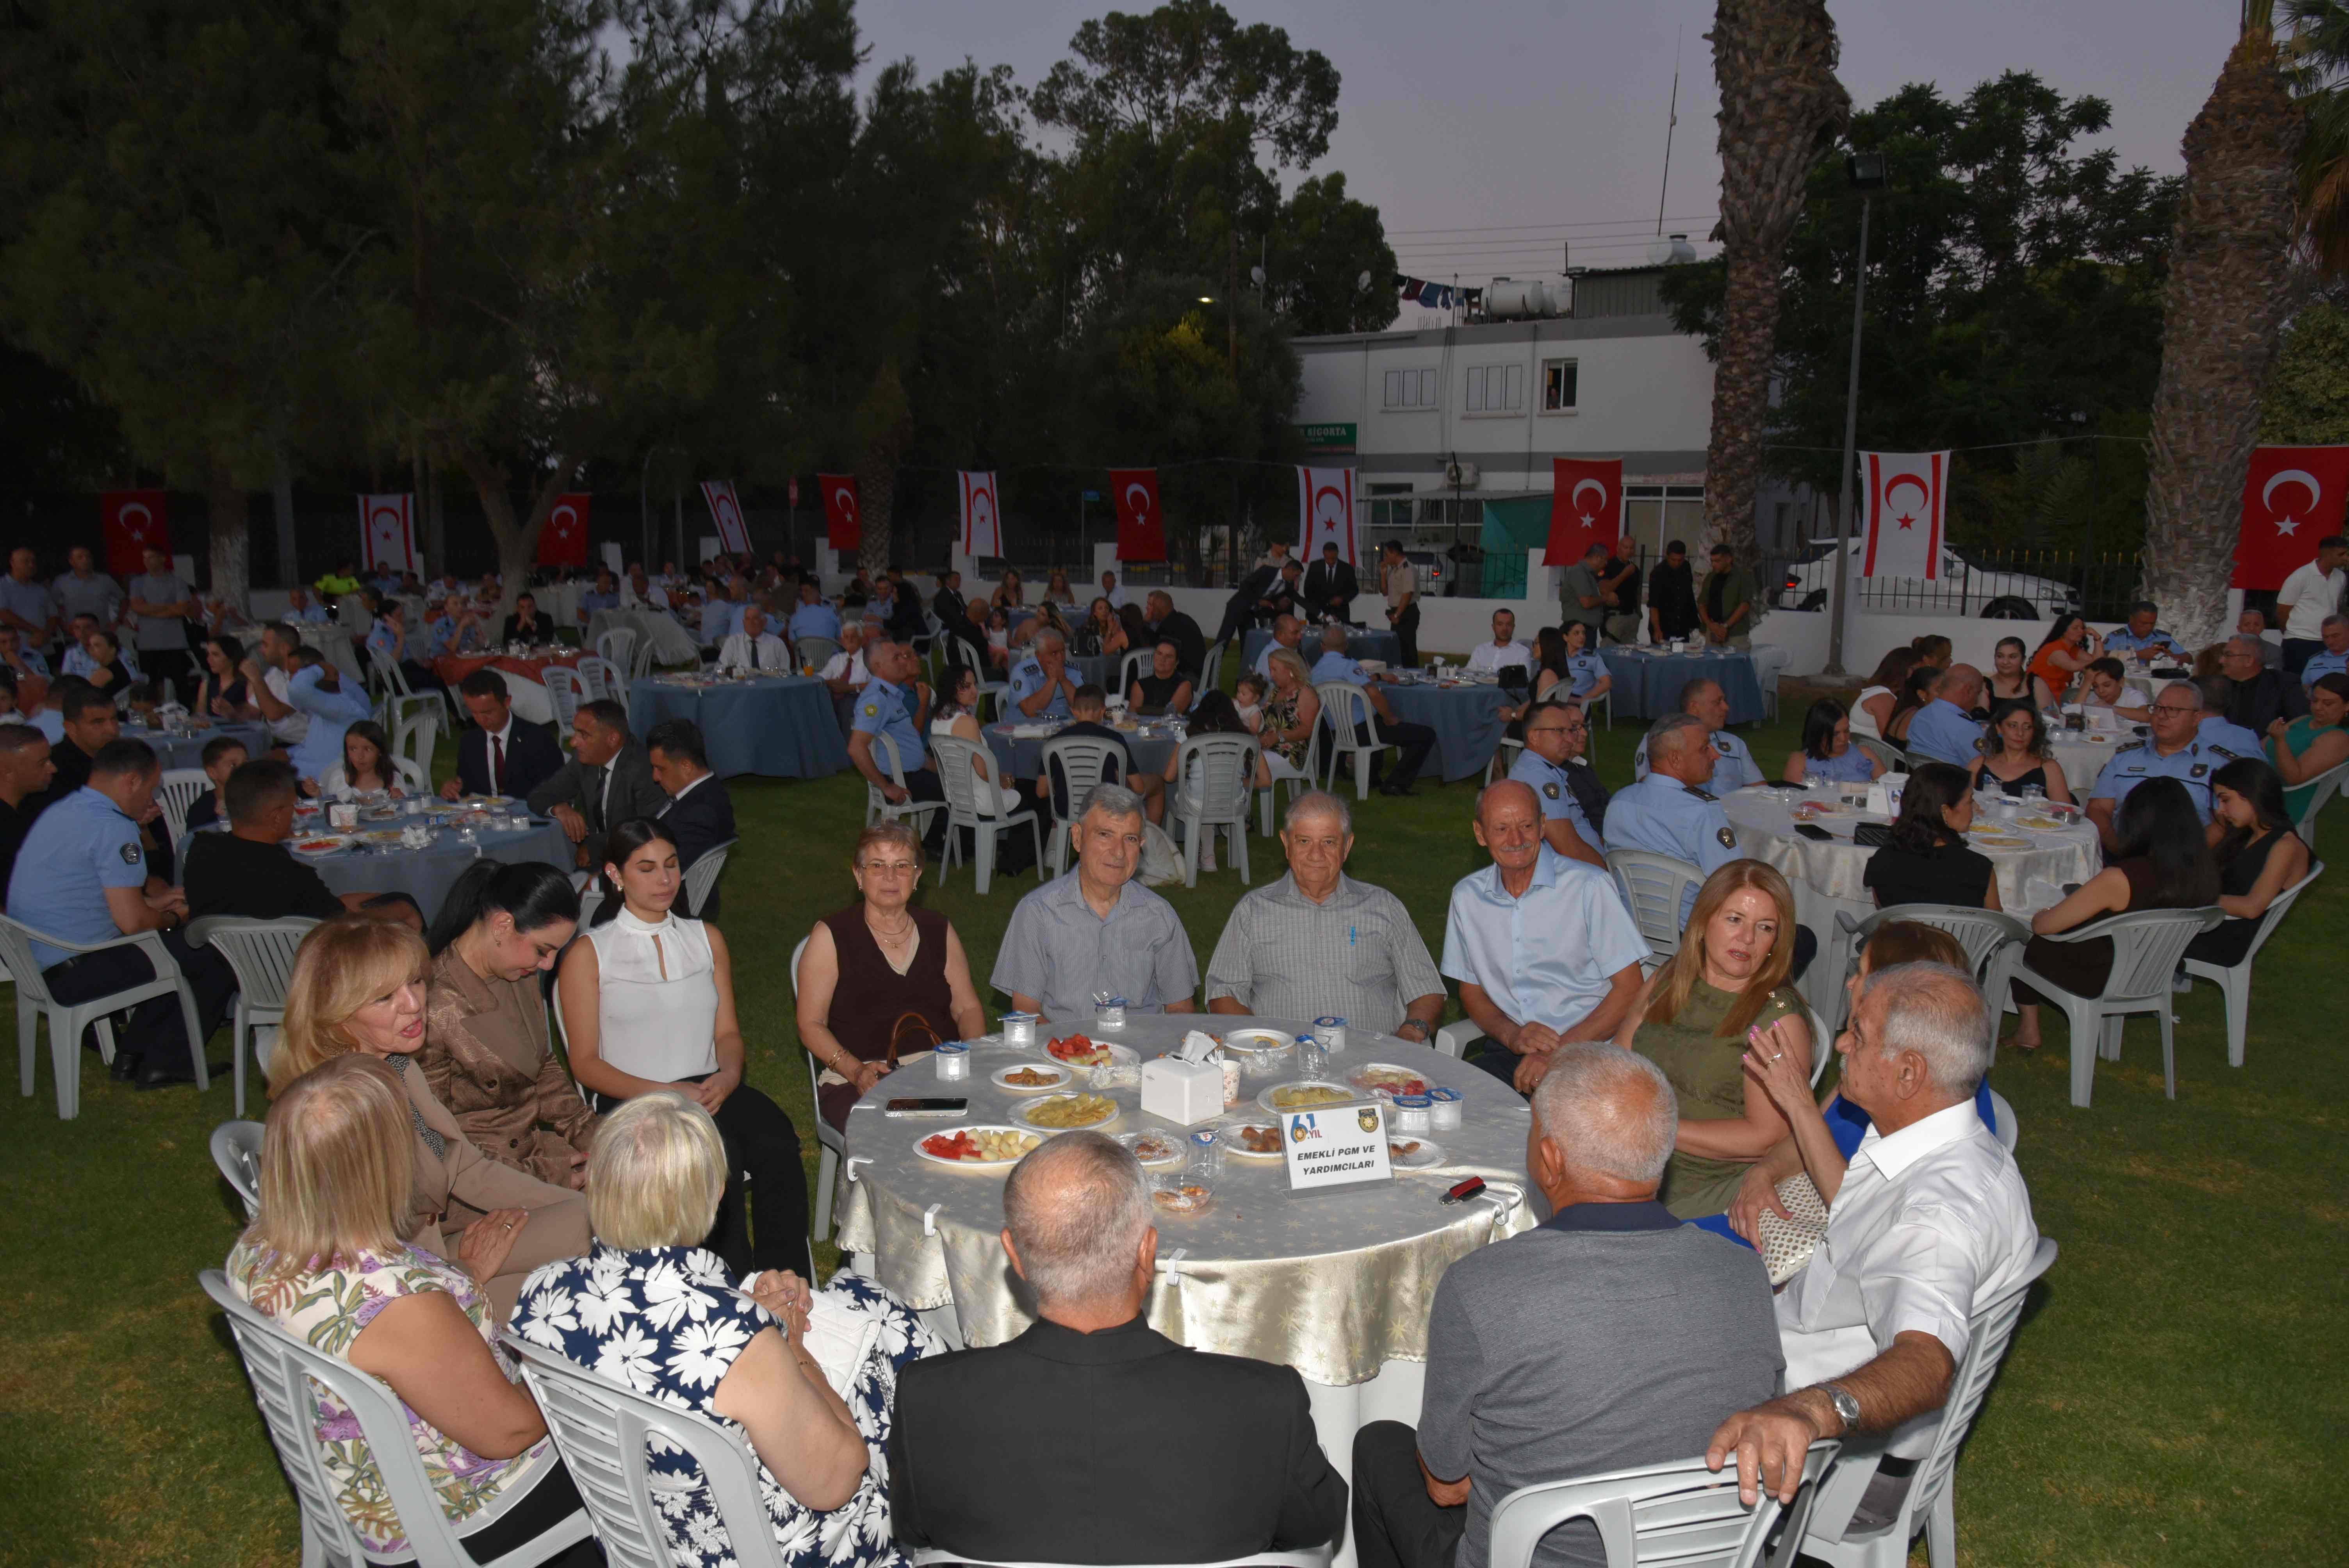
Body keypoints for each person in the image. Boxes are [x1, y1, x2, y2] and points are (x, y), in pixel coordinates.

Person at [1354, 1043, 1776, 1568]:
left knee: (1378, 1446)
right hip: (1714, 1559)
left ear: (1550, 1158)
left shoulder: (1481, 1285)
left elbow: (1447, 1487)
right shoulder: (1744, 1273)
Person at [512, 1094, 937, 1568]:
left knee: (855, 1294)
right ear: (717, 1192)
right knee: (890, 1327)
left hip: (642, 1529)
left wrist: (747, 1314)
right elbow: (837, 1480)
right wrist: (788, 1342)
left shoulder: (541, 1294)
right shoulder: (737, 1339)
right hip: (763, 1545)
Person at [890, 1132, 1347, 1561]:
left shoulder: (928, 1397)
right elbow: (1315, 1524)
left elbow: (915, 1531)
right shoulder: (1265, 1402)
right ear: (1147, 1251)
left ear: (1014, 1255)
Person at [225, 1055, 600, 1566]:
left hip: (367, 1485)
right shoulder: (396, 1300)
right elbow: (509, 1433)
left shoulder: (256, 1250)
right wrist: (574, 1371)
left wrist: (466, 1277)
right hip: (458, 1514)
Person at [1706, 963, 2038, 1534]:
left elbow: (1927, 1363)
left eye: (1857, 1033)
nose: (1840, 1043)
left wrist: (1807, 1412)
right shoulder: (1936, 1143)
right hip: (1789, 1359)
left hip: (1835, 1459)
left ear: (1909, 1073)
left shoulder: (1937, 1216)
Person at [267, 917, 592, 1315]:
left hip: (437, 1255)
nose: (414, 1003)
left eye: (415, 981)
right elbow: (370, 1266)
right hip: (411, 1292)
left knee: (591, 1225)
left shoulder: (397, 1066)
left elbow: (465, 1166)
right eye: (384, 997)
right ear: (336, 1012)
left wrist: (577, 1201)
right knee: (579, 1287)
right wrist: (466, 1270)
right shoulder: (338, 1110)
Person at [558, 817, 810, 1276]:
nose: (665, 880)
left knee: (777, 1142)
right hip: (634, 1095)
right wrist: (666, 1089)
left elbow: (728, 1034)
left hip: (709, 1086)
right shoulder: (590, 953)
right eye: (647, 868)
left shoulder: (706, 939)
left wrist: (730, 1076)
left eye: (672, 865)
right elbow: (585, 1063)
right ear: (615, 875)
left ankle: (787, 1283)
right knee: (720, 1157)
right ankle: (726, 1287)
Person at [1706, 923, 1996, 1250]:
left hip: (1839, 1244)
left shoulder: (1931, 1099)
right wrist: (1764, 1172)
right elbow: (1812, 1132)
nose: (1851, 983)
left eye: (1861, 973)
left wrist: (1798, 1104)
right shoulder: (1868, 1067)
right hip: (1802, 1207)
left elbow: (1863, 1219)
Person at [8, 738, 236, 1087]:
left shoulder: (64, 809)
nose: (153, 797)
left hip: (39, 960)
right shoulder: (116, 828)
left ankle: (132, 1055)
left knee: (171, 946)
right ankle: (166, 1062)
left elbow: (87, 894)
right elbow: (133, 924)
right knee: (211, 949)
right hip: (78, 967)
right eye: (152, 788)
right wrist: (177, 918)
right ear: (131, 782)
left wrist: (155, 907)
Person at [1619, 861, 1813, 1218]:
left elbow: (1766, 1137)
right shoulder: (1670, 979)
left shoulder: (1777, 1020)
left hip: (1704, 1186)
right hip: (1630, 1154)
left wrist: (1659, 1129)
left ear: (1777, 941)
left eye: (1765, 928)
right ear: (1704, 922)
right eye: (1734, 920)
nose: (1748, 939)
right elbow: (1620, 1061)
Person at [1443, 780, 1649, 1093]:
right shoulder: (1467, 897)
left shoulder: (1588, 887)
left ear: (1542, 826)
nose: (1516, 839)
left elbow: (1632, 989)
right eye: (1501, 829)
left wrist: (1559, 1052)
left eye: (1526, 825)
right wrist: (1511, 1035)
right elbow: (1471, 992)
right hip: (1513, 1050)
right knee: (1452, 1107)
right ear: (1480, 834)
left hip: (1589, 1050)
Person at [1203, 789, 1445, 1038]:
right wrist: (1265, 1043)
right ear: (1286, 844)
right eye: (1304, 841)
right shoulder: (1253, 911)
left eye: (1329, 842)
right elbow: (1223, 993)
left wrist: (1412, 1031)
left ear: (1347, 846)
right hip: (1284, 1061)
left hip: (1373, 1061)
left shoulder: (1384, 907)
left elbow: (1426, 988)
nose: (1316, 855)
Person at [795, 821, 987, 1131]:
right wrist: (856, 1071)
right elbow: (810, 1024)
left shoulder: (939, 930)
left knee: (994, 1118)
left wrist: (972, 1057)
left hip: (940, 1071)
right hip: (859, 1079)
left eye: (902, 866)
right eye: (877, 866)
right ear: (858, 875)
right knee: (905, 1135)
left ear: (917, 875)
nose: (890, 877)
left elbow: (967, 1008)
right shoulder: (833, 936)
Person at [418, 860, 598, 1188]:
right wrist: (547, 1177)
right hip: (479, 1184)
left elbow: (543, 1069)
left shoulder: (518, 974)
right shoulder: (432, 1006)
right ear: (502, 926)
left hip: (533, 1157)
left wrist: (595, 1137)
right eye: (543, 950)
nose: (549, 964)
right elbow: (438, 1142)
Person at [2010, 777, 2218, 1050]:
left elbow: (2044, 926)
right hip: (2156, 969)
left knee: (2019, 941)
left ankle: (2028, 1030)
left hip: (2100, 973)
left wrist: (2042, 914)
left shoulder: (2123, 877)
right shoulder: (2203, 872)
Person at [992, 782, 1198, 1023]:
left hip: (1143, 1051)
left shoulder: (1160, 915)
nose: (1119, 852)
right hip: (1063, 1051)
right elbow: (1027, 1013)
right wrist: (1074, 1053)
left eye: (1129, 839)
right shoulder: (1037, 912)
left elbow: (1180, 1007)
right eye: (1105, 835)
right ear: (1078, 838)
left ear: (1141, 846)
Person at [184, 757, 422, 928]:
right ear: (277, 817)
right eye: (292, 806)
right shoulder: (289, 875)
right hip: (292, 974)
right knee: (405, 907)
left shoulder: (201, 851)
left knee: (392, 897)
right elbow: (345, 922)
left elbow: (323, 904)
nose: (295, 813)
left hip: (227, 968)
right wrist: (401, 911)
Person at [2181, 757, 2308, 972]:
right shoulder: (2248, 833)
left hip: (2225, 938)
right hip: (2213, 923)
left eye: (2225, 800)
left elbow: (2251, 908)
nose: (2221, 810)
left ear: (2251, 795)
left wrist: (2192, 897)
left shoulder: (2285, 846)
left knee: (2134, 932)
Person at [526, 698, 667, 871]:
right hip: (596, 859)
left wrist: (594, 848)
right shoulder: (585, 761)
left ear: (613, 739)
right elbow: (539, 796)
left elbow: (645, 831)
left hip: (635, 864)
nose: (573, 743)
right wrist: (560, 808)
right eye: (575, 733)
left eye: (583, 735)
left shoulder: (644, 769)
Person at [2085, 680, 2221, 848]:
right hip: (2126, 856)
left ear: (2196, 718)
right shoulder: (2125, 757)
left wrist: (2189, 858)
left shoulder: (2218, 764)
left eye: (2173, 710)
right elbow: (2098, 809)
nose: (2161, 716)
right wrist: (2118, 849)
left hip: (2190, 863)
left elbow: (2225, 823)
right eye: (2157, 708)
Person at [1312, 623, 1438, 797]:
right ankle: (1395, 784)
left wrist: (1378, 677)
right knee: (1425, 735)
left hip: (1338, 731)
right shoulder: (1348, 665)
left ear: (1322, 646)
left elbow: (1350, 682)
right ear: (1346, 646)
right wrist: (1390, 717)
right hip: (1362, 731)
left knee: (1376, 719)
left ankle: (1372, 777)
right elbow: (1372, 692)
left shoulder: (1316, 671)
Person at [1864, 761, 2002, 911]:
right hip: (1960, 935)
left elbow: (1884, 916)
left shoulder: (1881, 861)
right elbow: (1997, 926)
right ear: (1945, 811)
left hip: (1901, 934)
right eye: (1970, 801)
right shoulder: (1979, 868)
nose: (1975, 809)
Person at [644, 719, 735, 918]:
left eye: (661, 769)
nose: (655, 777)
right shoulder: (702, 793)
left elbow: (666, 871)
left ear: (686, 766)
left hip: (668, 905)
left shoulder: (700, 812)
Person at [847, 637, 943, 813]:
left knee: (962, 784)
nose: (903, 662)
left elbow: (908, 746)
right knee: (966, 792)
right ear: (879, 667)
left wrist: (943, 770)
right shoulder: (876, 699)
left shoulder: (891, 696)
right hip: (902, 780)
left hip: (914, 773)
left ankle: (936, 840)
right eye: (896, 658)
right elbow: (856, 748)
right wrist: (887, 787)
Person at [441, 668, 564, 802]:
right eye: (474, 713)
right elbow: (466, 787)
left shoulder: (538, 739)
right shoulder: (470, 742)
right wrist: (454, 788)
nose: (481, 720)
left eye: (487, 712)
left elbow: (556, 790)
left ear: (507, 703)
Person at [1509, 700, 1607, 866]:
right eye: (1560, 731)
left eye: (1570, 731)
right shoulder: (1539, 777)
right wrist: (1609, 881)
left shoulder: (1547, 770)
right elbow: (1570, 849)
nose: (1570, 739)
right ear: (1534, 737)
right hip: (1579, 875)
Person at [1632, 677, 1763, 791]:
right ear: (1695, 707)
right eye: (1718, 702)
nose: (1726, 707)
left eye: (1724, 701)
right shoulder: (1659, 740)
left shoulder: (1735, 743)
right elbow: (1648, 788)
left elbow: (1760, 789)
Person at [282, 647, 375, 790]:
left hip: (316, 787)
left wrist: (320, 668)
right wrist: (287, 754)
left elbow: (298, 690)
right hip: (298, 774)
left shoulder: (343, 708)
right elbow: (314, 747)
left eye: (298, 673)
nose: (291, 679)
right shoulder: (323, 705)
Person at [2267, 670, 2349, 825]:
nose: (2318, 707)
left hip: (2284, 800)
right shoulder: (2304, 720)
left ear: (2347, 706)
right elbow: (2261, 747)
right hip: (2262, 786)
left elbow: (2294, 778)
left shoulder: (2337, 738)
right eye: (2314, 700)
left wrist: (2280, 742)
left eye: (2328, 703)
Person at [125, 545, 198, 703]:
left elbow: (182, 609)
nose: (147, 561)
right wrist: (168, 607)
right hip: (148, 643)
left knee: (180, 683)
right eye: (144, 558)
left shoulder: (177, 582)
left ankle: (185, 715)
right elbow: (137, 607)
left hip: (175, 643)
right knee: (150, 685)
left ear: (163, 559)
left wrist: (150, 609)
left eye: (151, 557)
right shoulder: (138, 583)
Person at [1970, 698, 2074, 804]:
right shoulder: (1978, 765)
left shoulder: (2049, 769)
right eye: (2013, 726)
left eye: (2027, 727)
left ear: (2034, 731)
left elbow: (2064, 813)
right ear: (1999, 728)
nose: (2020, 733)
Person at [2277, 533, 2348, 675]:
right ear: (2326, 554)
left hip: (2329, 642)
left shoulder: (2341, 577)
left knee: (2327, 684)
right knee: (2297, 685)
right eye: (2342, 554)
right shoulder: (2301, 576)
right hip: (2299, 641)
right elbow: (2282, 611)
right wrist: (2293, 632)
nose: (2346, 558)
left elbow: (2336, 607)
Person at [0, 722, 56, 898]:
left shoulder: (31, 809)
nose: (53, 768)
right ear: (7, 772)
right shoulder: (6, 829)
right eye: (42, 763)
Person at [240, 623, 310, 754]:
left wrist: (256, 679)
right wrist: (230, 713)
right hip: (279, 744)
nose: (261, 650)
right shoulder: (274, 673)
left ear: (283, 648)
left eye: (266, 645)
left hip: (304, 745)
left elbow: (275, 714)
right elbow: (252, 712)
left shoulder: (303, 674)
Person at [2218, 632, 2309, 732]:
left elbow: (2300, 724)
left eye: (2228, 655)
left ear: (2249, 661)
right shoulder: (2218, 686)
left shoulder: (2284, 684)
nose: (2221, 661)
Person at [1902, 664, 1989, 766]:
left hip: (1921, 779)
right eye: (1977, 693)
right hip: (1957, 781)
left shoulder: (1920, 715)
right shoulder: (1966, 727)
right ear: (1969, 691)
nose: (1977, 700)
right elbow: (1985, 765)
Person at [1784, 698, 1884, 786]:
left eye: (1846, 731)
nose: (1843, 738)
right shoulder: (1800, 761)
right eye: (1835, 734)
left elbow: (1888, 789)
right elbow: (1793, 799)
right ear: (1819, 733)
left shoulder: (1864, 754)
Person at [1214, 556, 1299, 647]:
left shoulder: (1286, 586)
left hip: (1250, 612)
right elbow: (1245, 586)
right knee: (1224, 640)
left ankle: (1247, 662)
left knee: (1249, 643)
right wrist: (1258, 602)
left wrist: (1278, 604)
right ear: (1290, 570)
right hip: (1238, 607)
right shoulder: (1267, 571)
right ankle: (1212, 661)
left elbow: (1297, 599)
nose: (1296, 578)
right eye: (1296, 575)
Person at [50, 546, 121, 641]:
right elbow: (52, 606)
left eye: (88, 557)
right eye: (80, 557)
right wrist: (63, 625)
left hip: (103, 634)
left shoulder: (105, 580)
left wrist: (118, 622)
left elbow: (124, 600)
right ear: (71, 561)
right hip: (75, 636)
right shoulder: (61, 581)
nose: (85, 560)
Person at [1008, 626, 1079, 721]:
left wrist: (1063, 680)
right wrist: (1053, 680)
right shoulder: (1021, 672)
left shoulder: (1073, 670)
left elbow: (1083, 707)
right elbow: (1030, 711)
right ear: (1039, 655)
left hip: (1064, 730)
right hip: (1027, 730)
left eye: (1063, 651)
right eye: (1054, 653)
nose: (1061, 658)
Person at [2028, 613, 2102, 704]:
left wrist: (2097, 638)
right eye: (2075, 628)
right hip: (2042, 696)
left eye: (2082, 628)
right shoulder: (2054, 649)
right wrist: (2096, 661)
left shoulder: (2073, 649)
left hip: (2060, 694)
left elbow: (2099, 664)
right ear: (2063, 631)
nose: (2081, 631)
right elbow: (2073, 666)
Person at [1850, 646, 1920, 739]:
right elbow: (1891, 739)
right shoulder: (1883, 697)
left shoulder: (1879, 691)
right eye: (1917, 671)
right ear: (1904, 669)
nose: (1919, 675)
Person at [1697, 543, 1758, 649]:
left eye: (1717, 561)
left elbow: (1745, 605)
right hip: (1713, 632)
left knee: (1735, 664)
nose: (1714, 564)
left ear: (1729, 560)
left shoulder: (1742, 576)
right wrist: (1711, 625)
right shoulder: (1711, 578)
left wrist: (1725, 626)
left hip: (1735, 634)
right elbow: (1702, 604)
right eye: (1712, 561)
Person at [321, 718, 403, 796]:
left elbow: (407, 808)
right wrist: (318, 796)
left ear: (380, 751)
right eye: (353, 749)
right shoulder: (338, 779)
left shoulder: (394, 779)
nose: (360, 756)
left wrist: (400, 802)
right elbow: (331, 808)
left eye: (367, 749)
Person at [1139, 590, 1206, 678]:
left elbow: (1152, 648)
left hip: (1188, 677)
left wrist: (1145, 623)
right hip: (1198, 673)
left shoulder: (1169, 627)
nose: (1147, 608)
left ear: (1158, 609)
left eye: (1150, 605)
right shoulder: (1182, 619)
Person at [1646, 539, 1701, 644]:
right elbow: (1654, 605)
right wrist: (1658, 630)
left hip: (1682, 626)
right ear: (1667, 556)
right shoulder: (1658, 573)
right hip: (1663, 626)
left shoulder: (1686, 567)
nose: (1677, 563)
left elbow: (1689, 595)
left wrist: (1694, 622)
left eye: (1680, 560)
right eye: (1673, 560)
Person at [2107, 601, 2188, 666]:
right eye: (2144, 624)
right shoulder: (2117, 637)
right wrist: (2138, 655)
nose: (2149, 628)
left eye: (2152, 624)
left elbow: (2189, 659)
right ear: (2132, 619)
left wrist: (2172, 658)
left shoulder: (2163, 638)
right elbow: (2101, 657)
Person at [716, 602, 790, 673]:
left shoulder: (777, 643)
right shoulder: (733, 642)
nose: (751, 623)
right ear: (744, 623)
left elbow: (786, 672)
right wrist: (735, 672)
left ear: (764, 622)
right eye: (748, 619)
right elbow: (720, 669)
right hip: (741, 684)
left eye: (755, 619)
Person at [1127, 638, 1194, 716]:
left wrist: (1142, 710)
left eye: (1169, 656)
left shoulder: (1184, 685)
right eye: (1159, 654)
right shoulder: (1140, 685)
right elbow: (1132, 716)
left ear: (1176, 663)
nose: (1163, 659)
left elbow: (1171, 715)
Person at [1558, 542, 1608, 643]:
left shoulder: (1589, 574)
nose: (1606, 563)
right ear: (1598, 557)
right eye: (1605, 560)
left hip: (1586, 631)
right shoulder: (1579, 572)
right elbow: (1586, 602)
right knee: (1580, 659)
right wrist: (1605, 598)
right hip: (1579, 632)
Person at [1881, 664, 1940, 747]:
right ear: (1922, 694)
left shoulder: (1908, 710)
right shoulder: (1919, 717)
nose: (1945, 693)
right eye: (1939, 689)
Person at [2079, 656, 2151, 724]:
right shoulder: (2093, 698)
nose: (2101, 691)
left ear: (2121, 682)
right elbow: (2074, 714)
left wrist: (2111, 708)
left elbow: (2147, 716)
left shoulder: (2133, 696)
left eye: (2107, 685)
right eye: (2095, 686)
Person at [1303, 541, 1359, 623]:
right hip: (1318, 614)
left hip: (1340, 614)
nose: (1331, 562)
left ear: (1337, 554)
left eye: (1333, 559)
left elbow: (1355, 590)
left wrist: (1342, 599)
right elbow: (1308, 591)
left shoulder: (1347, 569)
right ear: (1324, 555)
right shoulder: (1315, 567)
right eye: (1328, 559)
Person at [1464, 607, 1529, 675]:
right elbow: (1468, 674)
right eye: (1500, 624)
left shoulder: (1523, 653)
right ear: (1493, 627)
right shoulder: (1480, 650)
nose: (1504, 629)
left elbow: (1523, 683)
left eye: (1509, 625)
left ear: (1514, 627)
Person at [2298, 613, 2349, 687]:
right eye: (2326, 637)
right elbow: (2304, 688)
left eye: (2335, 636)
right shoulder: (2315, 661)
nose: (2330, 641)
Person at [1251, 611, 1306, 681]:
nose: (1300, 637)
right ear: (1281, 635)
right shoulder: (1272, 657)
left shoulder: (1291, 648)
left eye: (1300, 632)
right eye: (1295, 633)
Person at [786, 581, 841, 645]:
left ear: (804, 602)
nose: (803, 593)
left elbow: (792, 644)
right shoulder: (832, 615)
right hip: (830, 654)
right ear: (820, 601)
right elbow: (839, 638)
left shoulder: (795, 618)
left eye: (806, 591)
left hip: (804, 654)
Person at [1985, 636, 2032, 704]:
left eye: (2012, 657)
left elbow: (2047, 714)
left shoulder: (2035, 683)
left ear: (2023, 660)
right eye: (2000, 656)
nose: (2005, 662)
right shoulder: (1984, 686)